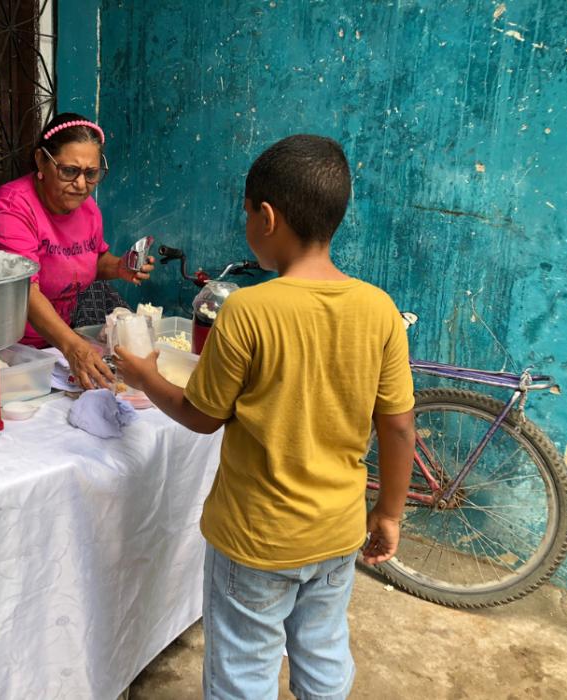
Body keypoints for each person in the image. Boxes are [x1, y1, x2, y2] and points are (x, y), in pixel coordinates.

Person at [115, 135, 416, 700]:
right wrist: (390, 513)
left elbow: (201, 417)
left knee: (243, 671)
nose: (247, 223)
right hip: (336, 532)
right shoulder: (379, 308)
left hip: (255, 541)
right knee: (323, 652)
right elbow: (399, 427)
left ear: (267, 216)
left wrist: (144, 376)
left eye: (247, 212)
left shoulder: (247, 310)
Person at [0, 112, 153, 390]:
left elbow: (93, 260)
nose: (81, 185)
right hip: (3, 349)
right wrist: (74, 347)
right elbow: (24, 290)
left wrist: (119, 267)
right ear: (41, 161)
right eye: (69, 171)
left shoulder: (88, 209)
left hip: (53, 344)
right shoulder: (12, 207)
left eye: (91, 174)